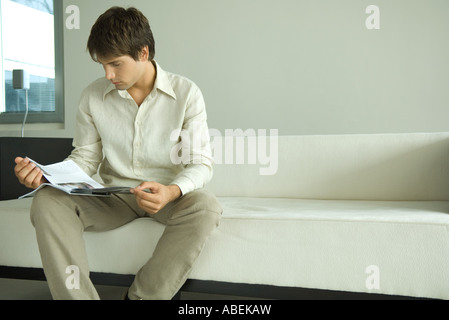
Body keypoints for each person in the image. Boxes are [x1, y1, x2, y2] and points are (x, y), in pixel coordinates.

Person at [13, 6, 222, 300]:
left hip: (167, 196)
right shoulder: (91, 96)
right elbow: (84, 159)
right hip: (113, 196)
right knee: (47, 200)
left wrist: (171, 191)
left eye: (115, 64)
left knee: (206, 205)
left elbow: (200, 163)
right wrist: (47, 177)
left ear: (143, 52)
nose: (108, 74)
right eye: (102, 65)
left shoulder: (187, 93)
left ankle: (141, 297)